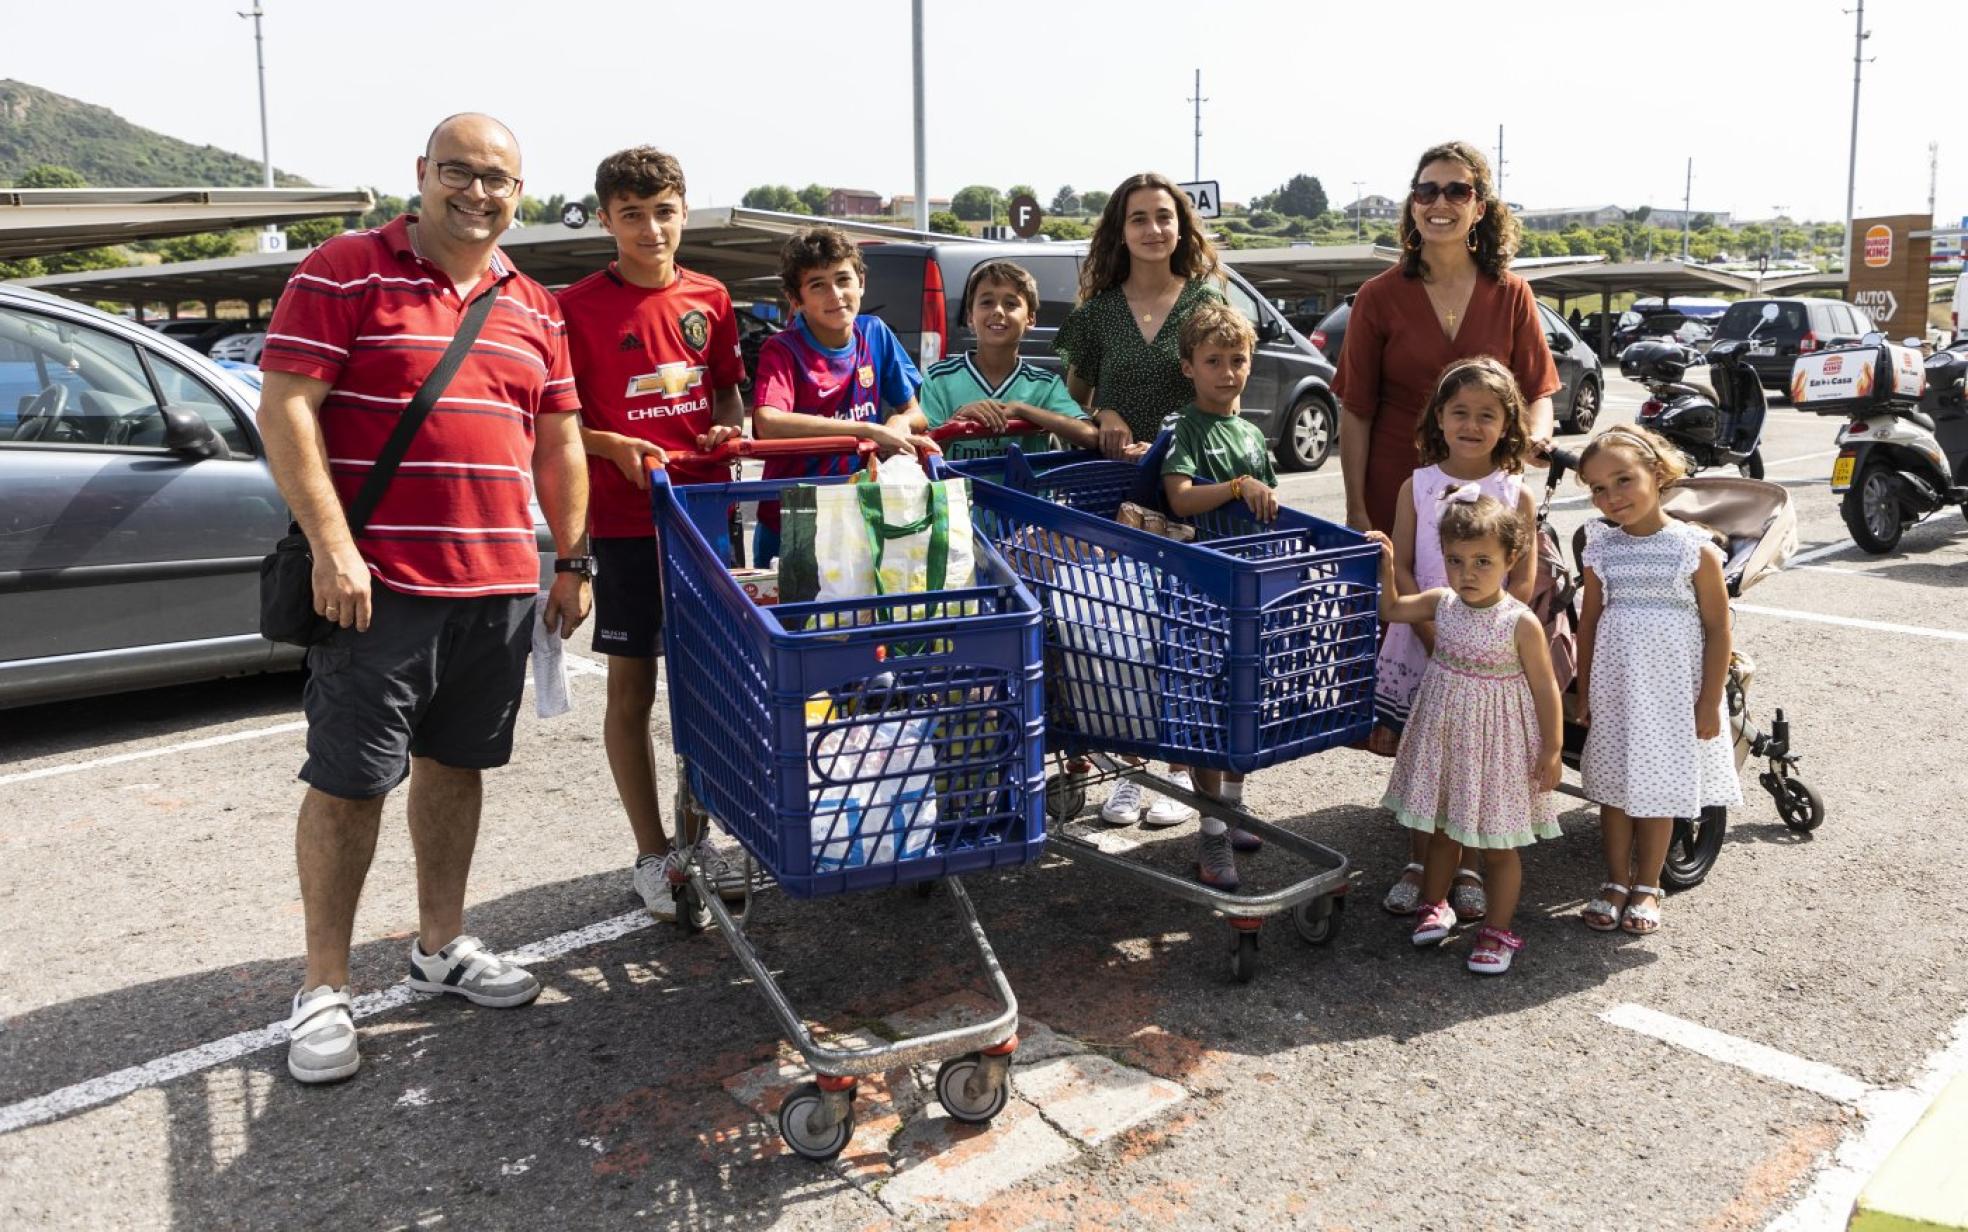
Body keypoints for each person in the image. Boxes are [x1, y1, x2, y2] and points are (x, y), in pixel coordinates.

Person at [257, 114, 590, 1084]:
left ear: (519, 195)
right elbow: (285, 409)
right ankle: (324, 982)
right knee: (350, 780)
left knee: (457, 765)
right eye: (459, 172)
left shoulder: (536, 304)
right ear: (422, 174)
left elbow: (559, 439)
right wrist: (332, 545)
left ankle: (439, 941)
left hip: (496, 587)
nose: (477, 192)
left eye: (498, 179)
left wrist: (573, 559)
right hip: (379, 586)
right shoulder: (345, 268)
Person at [555, 145, 746, 922]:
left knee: (705, 687)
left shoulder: (712, 296)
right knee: (632, 690)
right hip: (627, 525)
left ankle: (694, 836)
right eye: (630, 215)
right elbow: (558, 421)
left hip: (702, 521)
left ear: (683, 211)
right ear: (606, 220)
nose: (650, 228)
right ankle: (650, 852)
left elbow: (728, 396)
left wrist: (729, 435)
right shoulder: (574, 306)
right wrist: (613, 449)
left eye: (662, 211)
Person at [1055, 171, 1225, 827]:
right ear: (1118, 231)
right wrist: (1105, 413)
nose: (1153, 229)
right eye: (1138, 218)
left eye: (1164, 216)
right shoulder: (1098, 311)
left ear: (1181, 226)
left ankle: (1180, 771)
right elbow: (1070, 391)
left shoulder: (1207, 300)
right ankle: (1133, 768)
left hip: (1191, 487)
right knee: (1122, 632)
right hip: (1116, 492)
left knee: (1185, 631)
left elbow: (1227, 379)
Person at [1367, 492, 1562, 975]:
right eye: (1455, 561)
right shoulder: (1442, 603)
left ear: (1509, 560)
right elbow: (1391, 610)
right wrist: (1387, 561)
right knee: (1439, 831)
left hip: (1497, 748)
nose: (1467, 573)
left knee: (1499, 844)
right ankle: (1436, 904)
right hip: (1445, 739)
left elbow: (1545, 688)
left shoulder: (1520, 621)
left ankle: (1497, 930)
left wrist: (1553, 750)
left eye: (1482, 562)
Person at [1374, 358, 1541, 919]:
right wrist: (1431, 630)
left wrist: (1480, 635)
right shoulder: (1417, 484)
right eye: (1460, 412)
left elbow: (1523, 579)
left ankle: (1467, 866)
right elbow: (1401, 567)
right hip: (1426, 635)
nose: (1472, 425)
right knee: (1432, 763)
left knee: (1477, 762)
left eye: (1487, 415)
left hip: (1488, 651)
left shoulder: (1515, 492)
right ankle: (1419, 864)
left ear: (1507, 424)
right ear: (1438, 418)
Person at [1332, 140, 1560, 537]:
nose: (1440, 202)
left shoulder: (1512, 293)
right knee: (1398, 598)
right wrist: (1356, 510)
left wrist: (1536, 436)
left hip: (1485, 490)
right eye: (1426, 191)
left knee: (1484, 597)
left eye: (1457, 191)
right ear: (1413, 205)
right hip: (1394, 487)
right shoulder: (1377, 296)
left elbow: (1538, 391)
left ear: (1479, 209)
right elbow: (1356, 410)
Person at [1574, 427, 1741, 935]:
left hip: (1672, 697)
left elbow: (1718, 628)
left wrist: (1711, 701)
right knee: (1615, 789)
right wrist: (1583, 688)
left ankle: (1648, 884)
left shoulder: (1694, 550)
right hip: (1618, 691)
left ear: (1659, 473)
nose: (1612, 497)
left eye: (1624, 480)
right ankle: (1614, 881)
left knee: (1660, 789)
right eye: (1599, 488)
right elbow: (1589, 621)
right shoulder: (1601, 547)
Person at [1160, 301, 1281, 889]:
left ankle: (1231, 809)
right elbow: (1179, 497)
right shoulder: (1183, 427)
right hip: (1201, 589)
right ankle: (1210, 837)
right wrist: (1235, 487)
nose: (1227, 372)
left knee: (1244, 702)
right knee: (1208, 713)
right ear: (1188, 367)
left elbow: (1272, 502)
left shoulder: (1253, 433)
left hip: (1251, 588)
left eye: (1237, 360)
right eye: (1213, 361)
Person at [749, 225, 927, 566]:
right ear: (795, 299)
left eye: (843, 279)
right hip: (793, 516)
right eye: (818, 285)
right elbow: (768, 422)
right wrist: (866, 430)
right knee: (791, 619)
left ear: (861, 282)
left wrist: (898, 421)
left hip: (859, 509)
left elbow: (917, 413)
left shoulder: (875, 332)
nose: (835, 294)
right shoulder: (782, 349)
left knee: (857, 616)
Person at [890, 260, 1097, 458]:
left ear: (1030, 318)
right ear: (970, 317)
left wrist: (1021, 410)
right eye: (987, 302)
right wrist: (958, 421)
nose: (998, 311)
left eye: (1011, 304)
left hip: (1026, 495)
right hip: (962, 494)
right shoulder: (939, 379)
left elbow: (1090, 436)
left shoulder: (1045, 385)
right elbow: (922, 452)